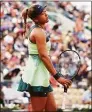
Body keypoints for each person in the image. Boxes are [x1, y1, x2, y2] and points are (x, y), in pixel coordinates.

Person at [17, 4, 72, 111]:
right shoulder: (38, 32)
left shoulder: (38, 30)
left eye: (45, 11)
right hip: (37, 75)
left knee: (52, 109)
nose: (46, 14)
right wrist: (58, 77)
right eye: (43, 13)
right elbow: (43, 56)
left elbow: (44, 55)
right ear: (36, 19)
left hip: (41, 73)